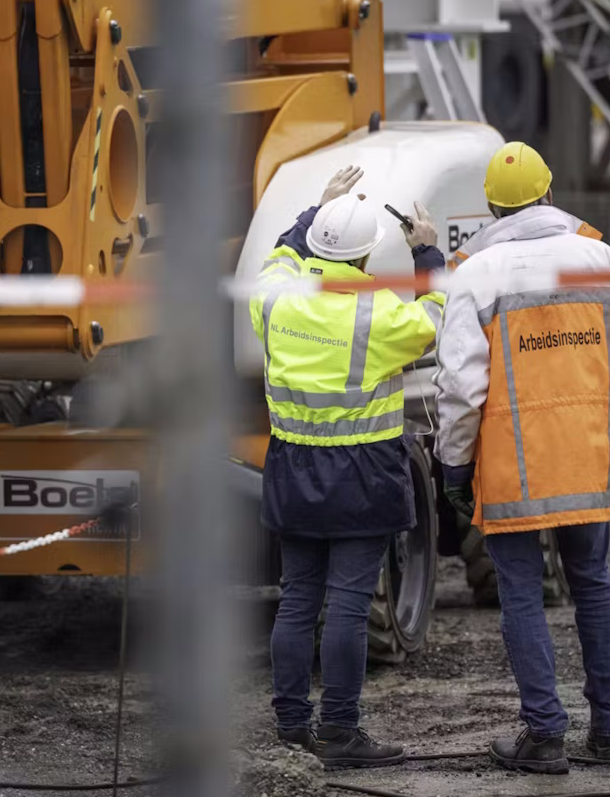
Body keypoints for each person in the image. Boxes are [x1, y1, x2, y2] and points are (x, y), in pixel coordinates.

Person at [433, 141, 610, 774]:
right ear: (551, 193)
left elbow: (458, 388)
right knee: (592, 585)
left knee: (522, 596)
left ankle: (546, 735)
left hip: (513, 472)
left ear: (490, 209)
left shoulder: (476, 275)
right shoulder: (606, 261)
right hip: (589, 464)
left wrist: (454, 467)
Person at [251, 164, 447, 770]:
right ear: (366, 259)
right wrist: (428, 251)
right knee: (348, 605)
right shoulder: (380, 316)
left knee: (297, 599)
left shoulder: (276, 298)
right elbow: (437, 322)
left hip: (293, 470)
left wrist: (318, 208)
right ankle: (338, 731)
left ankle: (290, 726)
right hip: (362, 476)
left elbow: (279, 258)